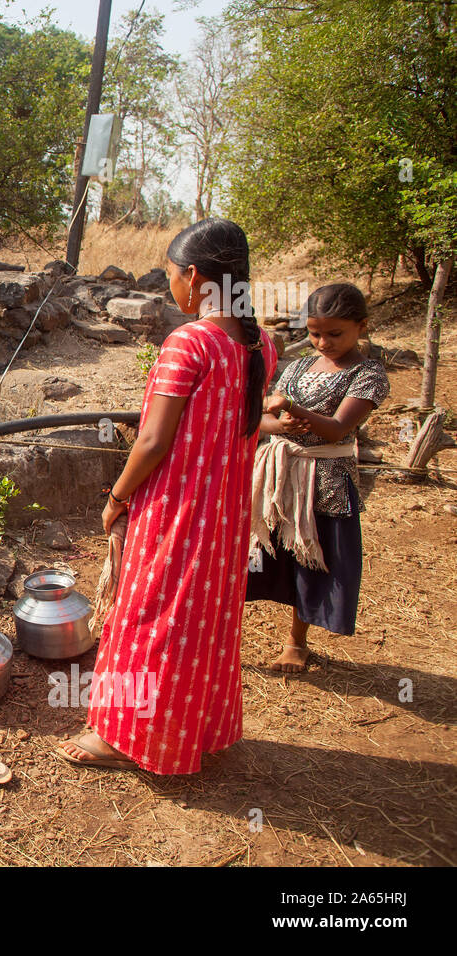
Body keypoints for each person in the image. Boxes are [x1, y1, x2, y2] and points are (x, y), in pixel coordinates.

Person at [59, 218, 277, 774]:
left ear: (196, 276)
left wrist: (118, 495)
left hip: (177, 510)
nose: (170, 288)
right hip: (226, 512)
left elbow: (155, 440)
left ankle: (125, 737)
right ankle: (196, 729)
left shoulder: (191, 342)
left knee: (149, 618)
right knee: (203, 622)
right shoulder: (258, 345)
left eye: (173, 276)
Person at [247, 283, 389, 672]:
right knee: (265, 553)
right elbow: (263, 419)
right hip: (280, 476)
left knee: (311, 558)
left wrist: (292, 409)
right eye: (314, 333)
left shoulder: (368, 374)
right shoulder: (297, 366)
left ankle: (297, 642)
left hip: (325, 481)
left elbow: (338, 429)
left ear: (362, 326)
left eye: (334, 333)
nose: (323, 342)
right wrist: (282, 424)